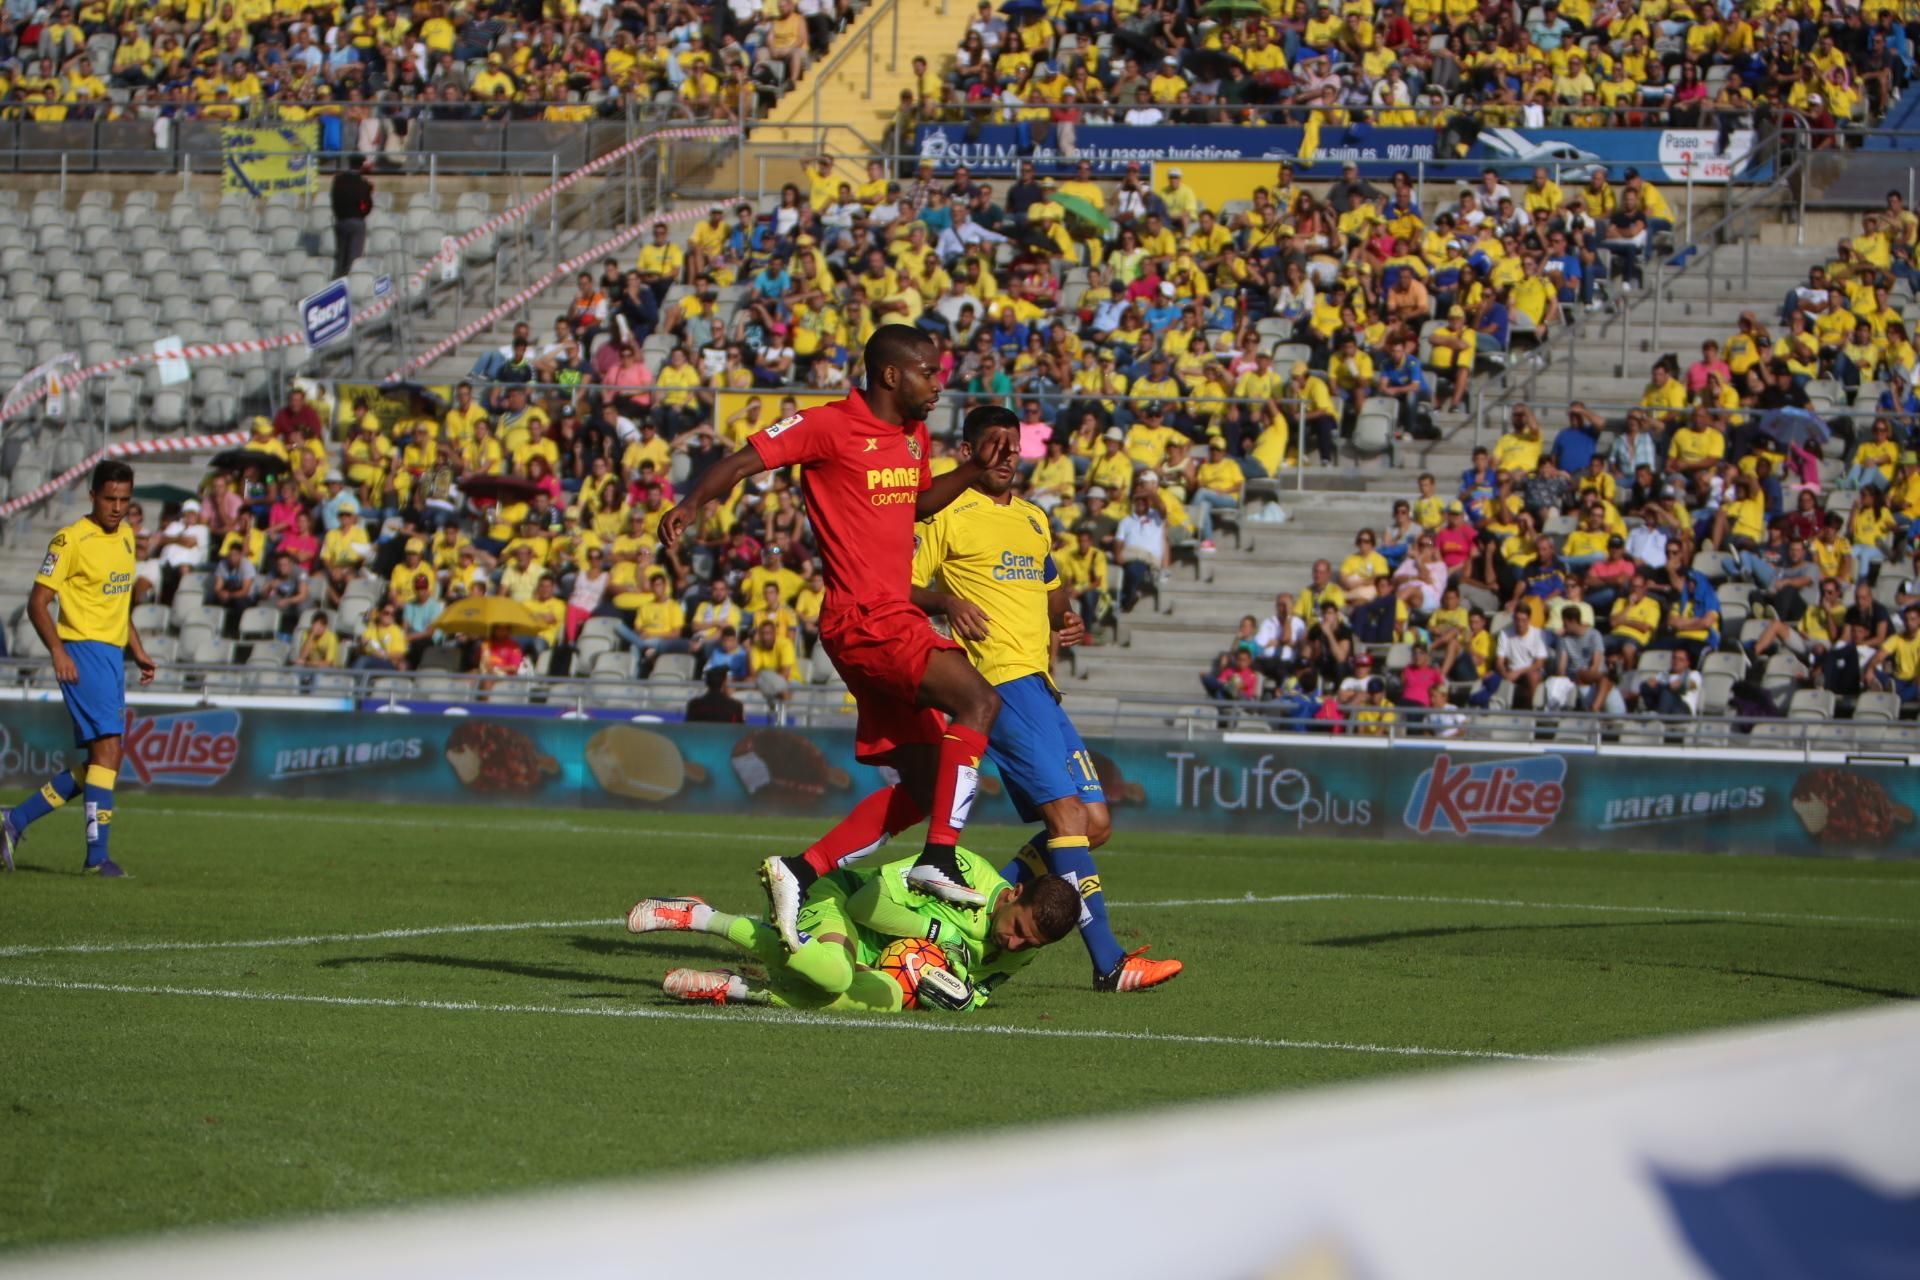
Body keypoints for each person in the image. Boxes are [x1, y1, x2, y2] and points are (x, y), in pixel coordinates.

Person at [656, 325, 1017, 944]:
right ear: (891, 376)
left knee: (927, 788)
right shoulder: (826, 426)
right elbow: (744, 460)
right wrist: (693, 504)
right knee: (979, 701)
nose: (941, 383)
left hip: (887, 619)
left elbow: (919, 503)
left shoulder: (914, 436)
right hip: (865, 619)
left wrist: (971, 472)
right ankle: (938, 860)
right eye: (930, 372)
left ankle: (801, 870)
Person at [911, 406, 1182, 992]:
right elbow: (899, 586)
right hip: (998, 681)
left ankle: (985, 910)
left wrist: (1066, 620)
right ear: (968, 451)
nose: (1008, 455)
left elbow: (1050, 588)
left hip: (1040, 683)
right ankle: (1109, 963)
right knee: (1066, 819)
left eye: (1015, 446)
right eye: (995, 445)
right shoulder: (948, 514)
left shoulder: (1034, 519)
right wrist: (945, 604)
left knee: (1095, 824)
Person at [628, 846, 1080, 1011]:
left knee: (887, 999)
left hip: (874, 957)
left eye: (1029, 943)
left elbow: (975, 989)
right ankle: (702, 918)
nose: (1015, 944)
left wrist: (954, 997)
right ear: (1015, 893)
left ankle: (738, 988)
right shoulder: (961, 871)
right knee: (836, 976)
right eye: (1018, 928)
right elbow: (866, 906)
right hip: (837, 898)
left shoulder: (1027, 949)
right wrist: (938, 932)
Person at [2, 461, 157, 877]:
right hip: (82, 651)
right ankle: (96, 859)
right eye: (110, 499)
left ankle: (13, 821)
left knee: (106, 759)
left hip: (111, 654)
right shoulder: (69, 540)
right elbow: (38, 604)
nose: (118, 508)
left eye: (125, 500)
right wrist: (58, 651)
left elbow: (118, 604)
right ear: (92, 496)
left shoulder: (126, 536)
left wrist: (137, 650)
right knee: (107, 751)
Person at [330, 154, 374, 279]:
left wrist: (339, 215)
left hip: (341, 220)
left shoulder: (339, 180)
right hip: (356, 220)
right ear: (361, 166)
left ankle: (338, 280)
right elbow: (366, 205)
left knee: (341, 255)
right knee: (353, 257)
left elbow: (334, 200)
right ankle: (348, 282)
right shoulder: (362, 184)